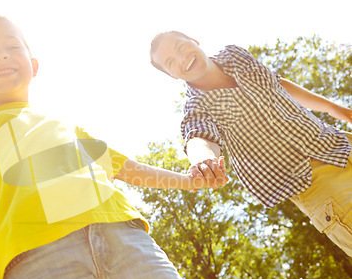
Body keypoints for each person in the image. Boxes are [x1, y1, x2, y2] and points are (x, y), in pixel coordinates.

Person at [0, 14, 218, 279]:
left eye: (11, 46)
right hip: (37, 264)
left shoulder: (67, 126)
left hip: (126, 240)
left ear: (33, 66)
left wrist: (188, 181)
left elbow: (126, 168)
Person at [150, 31, 352, 256]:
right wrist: (203, 160)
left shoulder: (235, 55)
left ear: (194, 41)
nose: (181, 59)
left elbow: (277, 83)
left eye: (180, 47)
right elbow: (199, 136)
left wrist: (336, 109)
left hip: (339, 143)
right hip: (313, 180)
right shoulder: (197, 107)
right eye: (170, 62)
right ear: (171, 74)